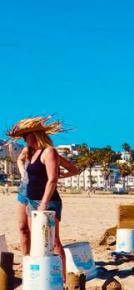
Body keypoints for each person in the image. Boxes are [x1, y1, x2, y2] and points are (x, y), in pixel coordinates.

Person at [7, 116, 78, 275]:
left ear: (36, 134)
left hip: (47, 202)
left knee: (53, 241)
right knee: (38, 241)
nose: (24, 139)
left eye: (26, 135)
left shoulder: (49, 151)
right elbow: (27, 167)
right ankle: (43, 275)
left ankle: (63, 278)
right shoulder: (32, 152)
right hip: (32, 200)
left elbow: (52, 179)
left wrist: (44, 203)